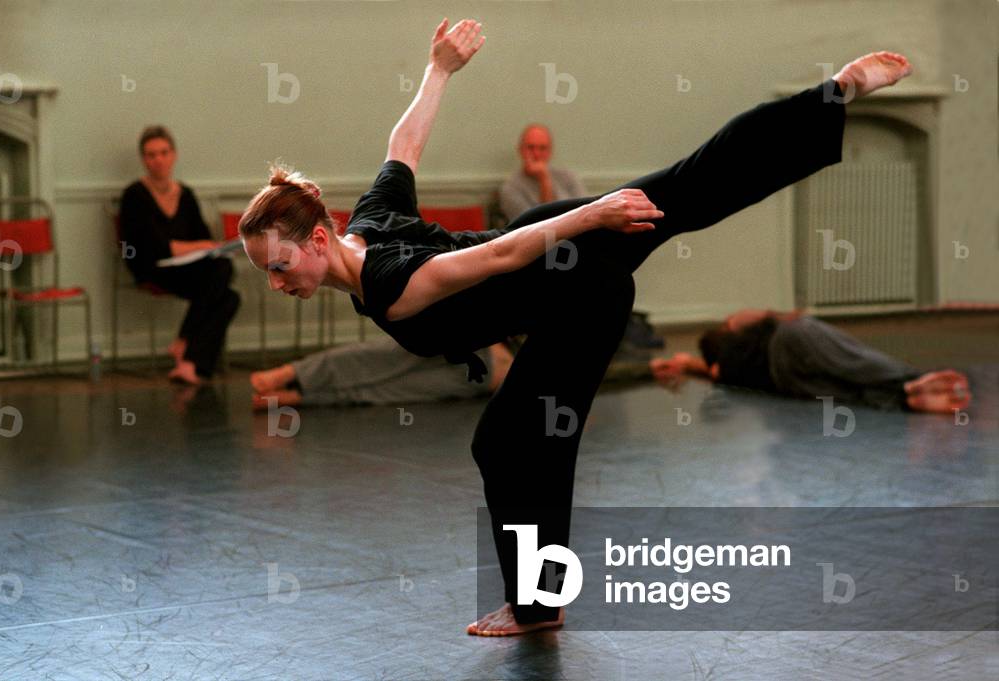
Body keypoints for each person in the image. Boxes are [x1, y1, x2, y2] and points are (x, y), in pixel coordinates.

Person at [237, 17, 913, 636]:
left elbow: (499, 253)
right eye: (266, 271)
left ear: (318, 239)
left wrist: (593, 217)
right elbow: (403, 144)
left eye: (279, 263)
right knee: (512, 443)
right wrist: (439, 69)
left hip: (567, 259)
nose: (277, 281)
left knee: (688, 186)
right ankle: (537, 600)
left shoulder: (388, 287)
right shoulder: (370, 221)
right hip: (576, 296)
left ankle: (834, 93)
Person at [649, 309, 972, 413]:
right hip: (789, 340)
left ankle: (903, 398)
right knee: (853, 362)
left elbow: (714, 372)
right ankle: (913, 379)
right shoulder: (736, 326)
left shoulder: (722, 369)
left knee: (845, 392)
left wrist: (690, 365)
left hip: (784, 380)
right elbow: (768, 315)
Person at [119, 126, 241, 384]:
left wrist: (205, 247)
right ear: (144, 159)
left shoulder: (185, 194)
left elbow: (202, 235)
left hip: (185, 268)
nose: (158, 160)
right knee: (222, 278)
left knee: (230, 296)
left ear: (173, 155)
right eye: (151, 155)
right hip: (151, 268)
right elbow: (155, 247)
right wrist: (202, 246)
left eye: (163, 153)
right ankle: (186, 346)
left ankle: (188, 364)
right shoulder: (134, 196)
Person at [249, 338, 514, 409]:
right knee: (384, 355)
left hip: (489, 381)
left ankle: (300, 397)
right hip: (481, 342)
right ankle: (291, 372)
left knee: (393, 391)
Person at [498, 124, 588, 222]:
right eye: (531, 147)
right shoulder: (511, 188)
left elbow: (585, 211)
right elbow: (537, 225)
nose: (536, 154)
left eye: (542, 148)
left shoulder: (568, 177)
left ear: (550, 151)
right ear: (521, 150)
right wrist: (544, 180)